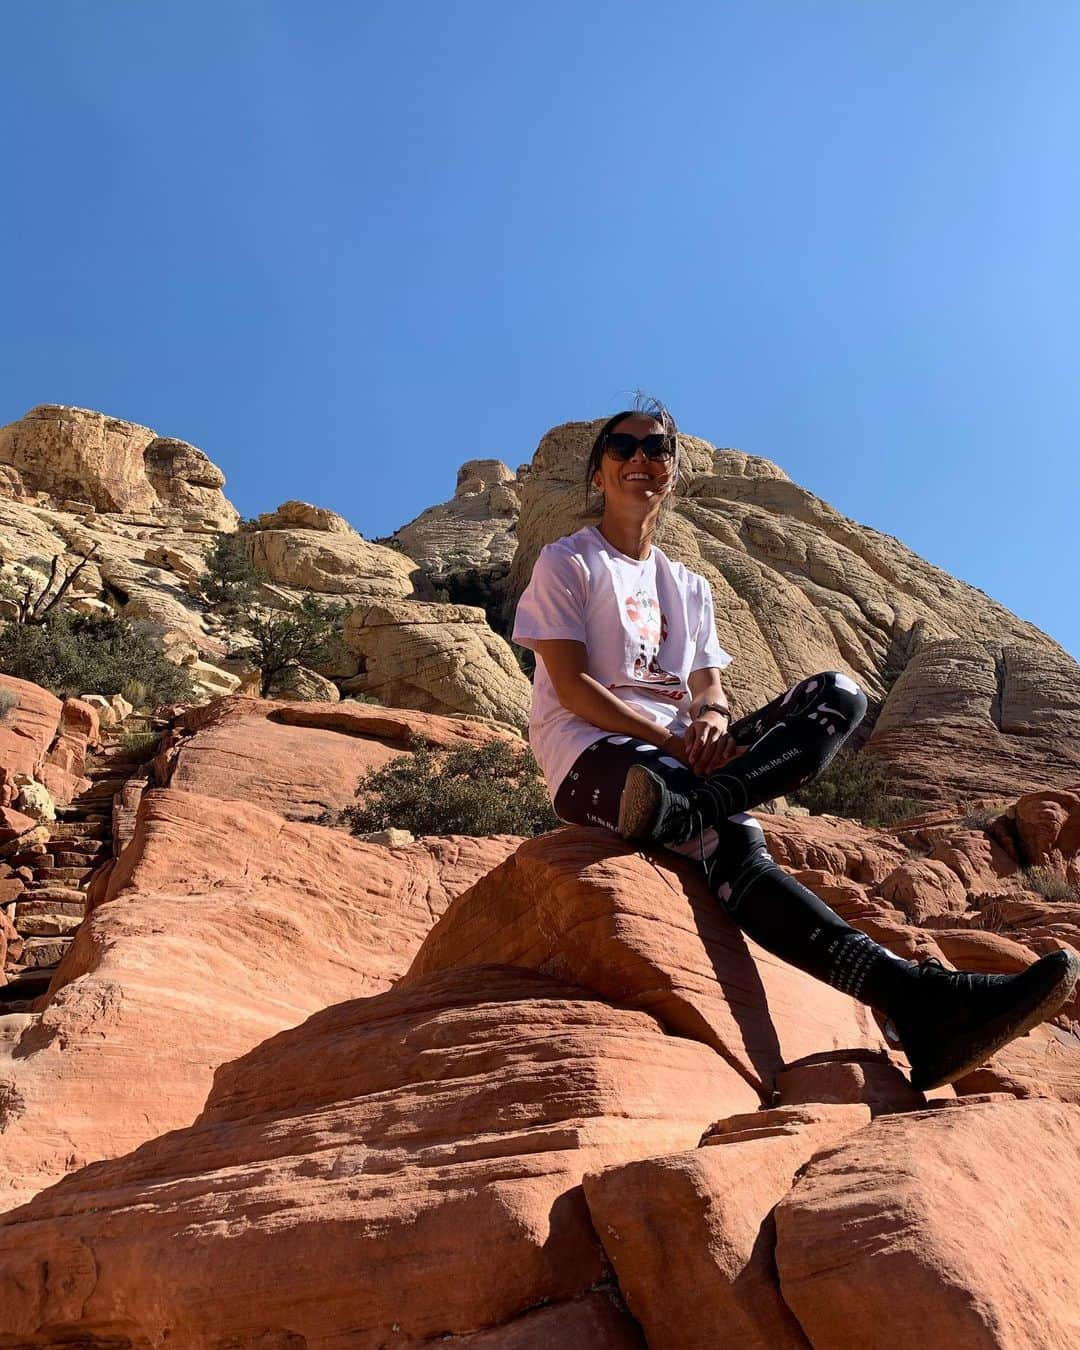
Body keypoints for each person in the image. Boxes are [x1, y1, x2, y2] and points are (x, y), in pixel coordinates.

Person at [512, 398, 1078, 1091]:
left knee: (839, 694)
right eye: (621, 447)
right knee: (735, 845)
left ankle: (907, 1001)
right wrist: (671, 736)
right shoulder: (568, 561)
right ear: (599, 474)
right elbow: (569, 688)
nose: (639, 458)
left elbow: (709, 685)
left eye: (655, 447)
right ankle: (916, 994)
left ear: (673, 472)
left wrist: (714, 719)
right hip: (595, 754)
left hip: (683, 765)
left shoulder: (686, 585)